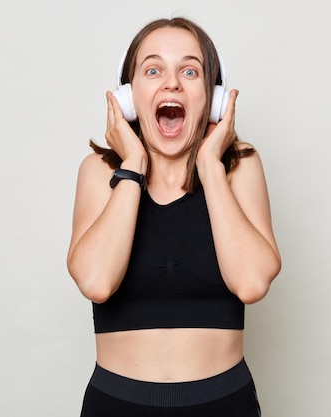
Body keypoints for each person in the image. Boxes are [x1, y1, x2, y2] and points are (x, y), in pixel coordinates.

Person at [67, 16, 281, 416]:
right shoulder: (99, 172)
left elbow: (251, 282)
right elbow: (96, 281)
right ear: (128, 98)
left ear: (212, 96)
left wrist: (210, 167)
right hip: (116, 405)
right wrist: (131, 165)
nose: (171, 83)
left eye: (189, 70)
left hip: (224, 404)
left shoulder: (240, 168)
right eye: (153, 70)